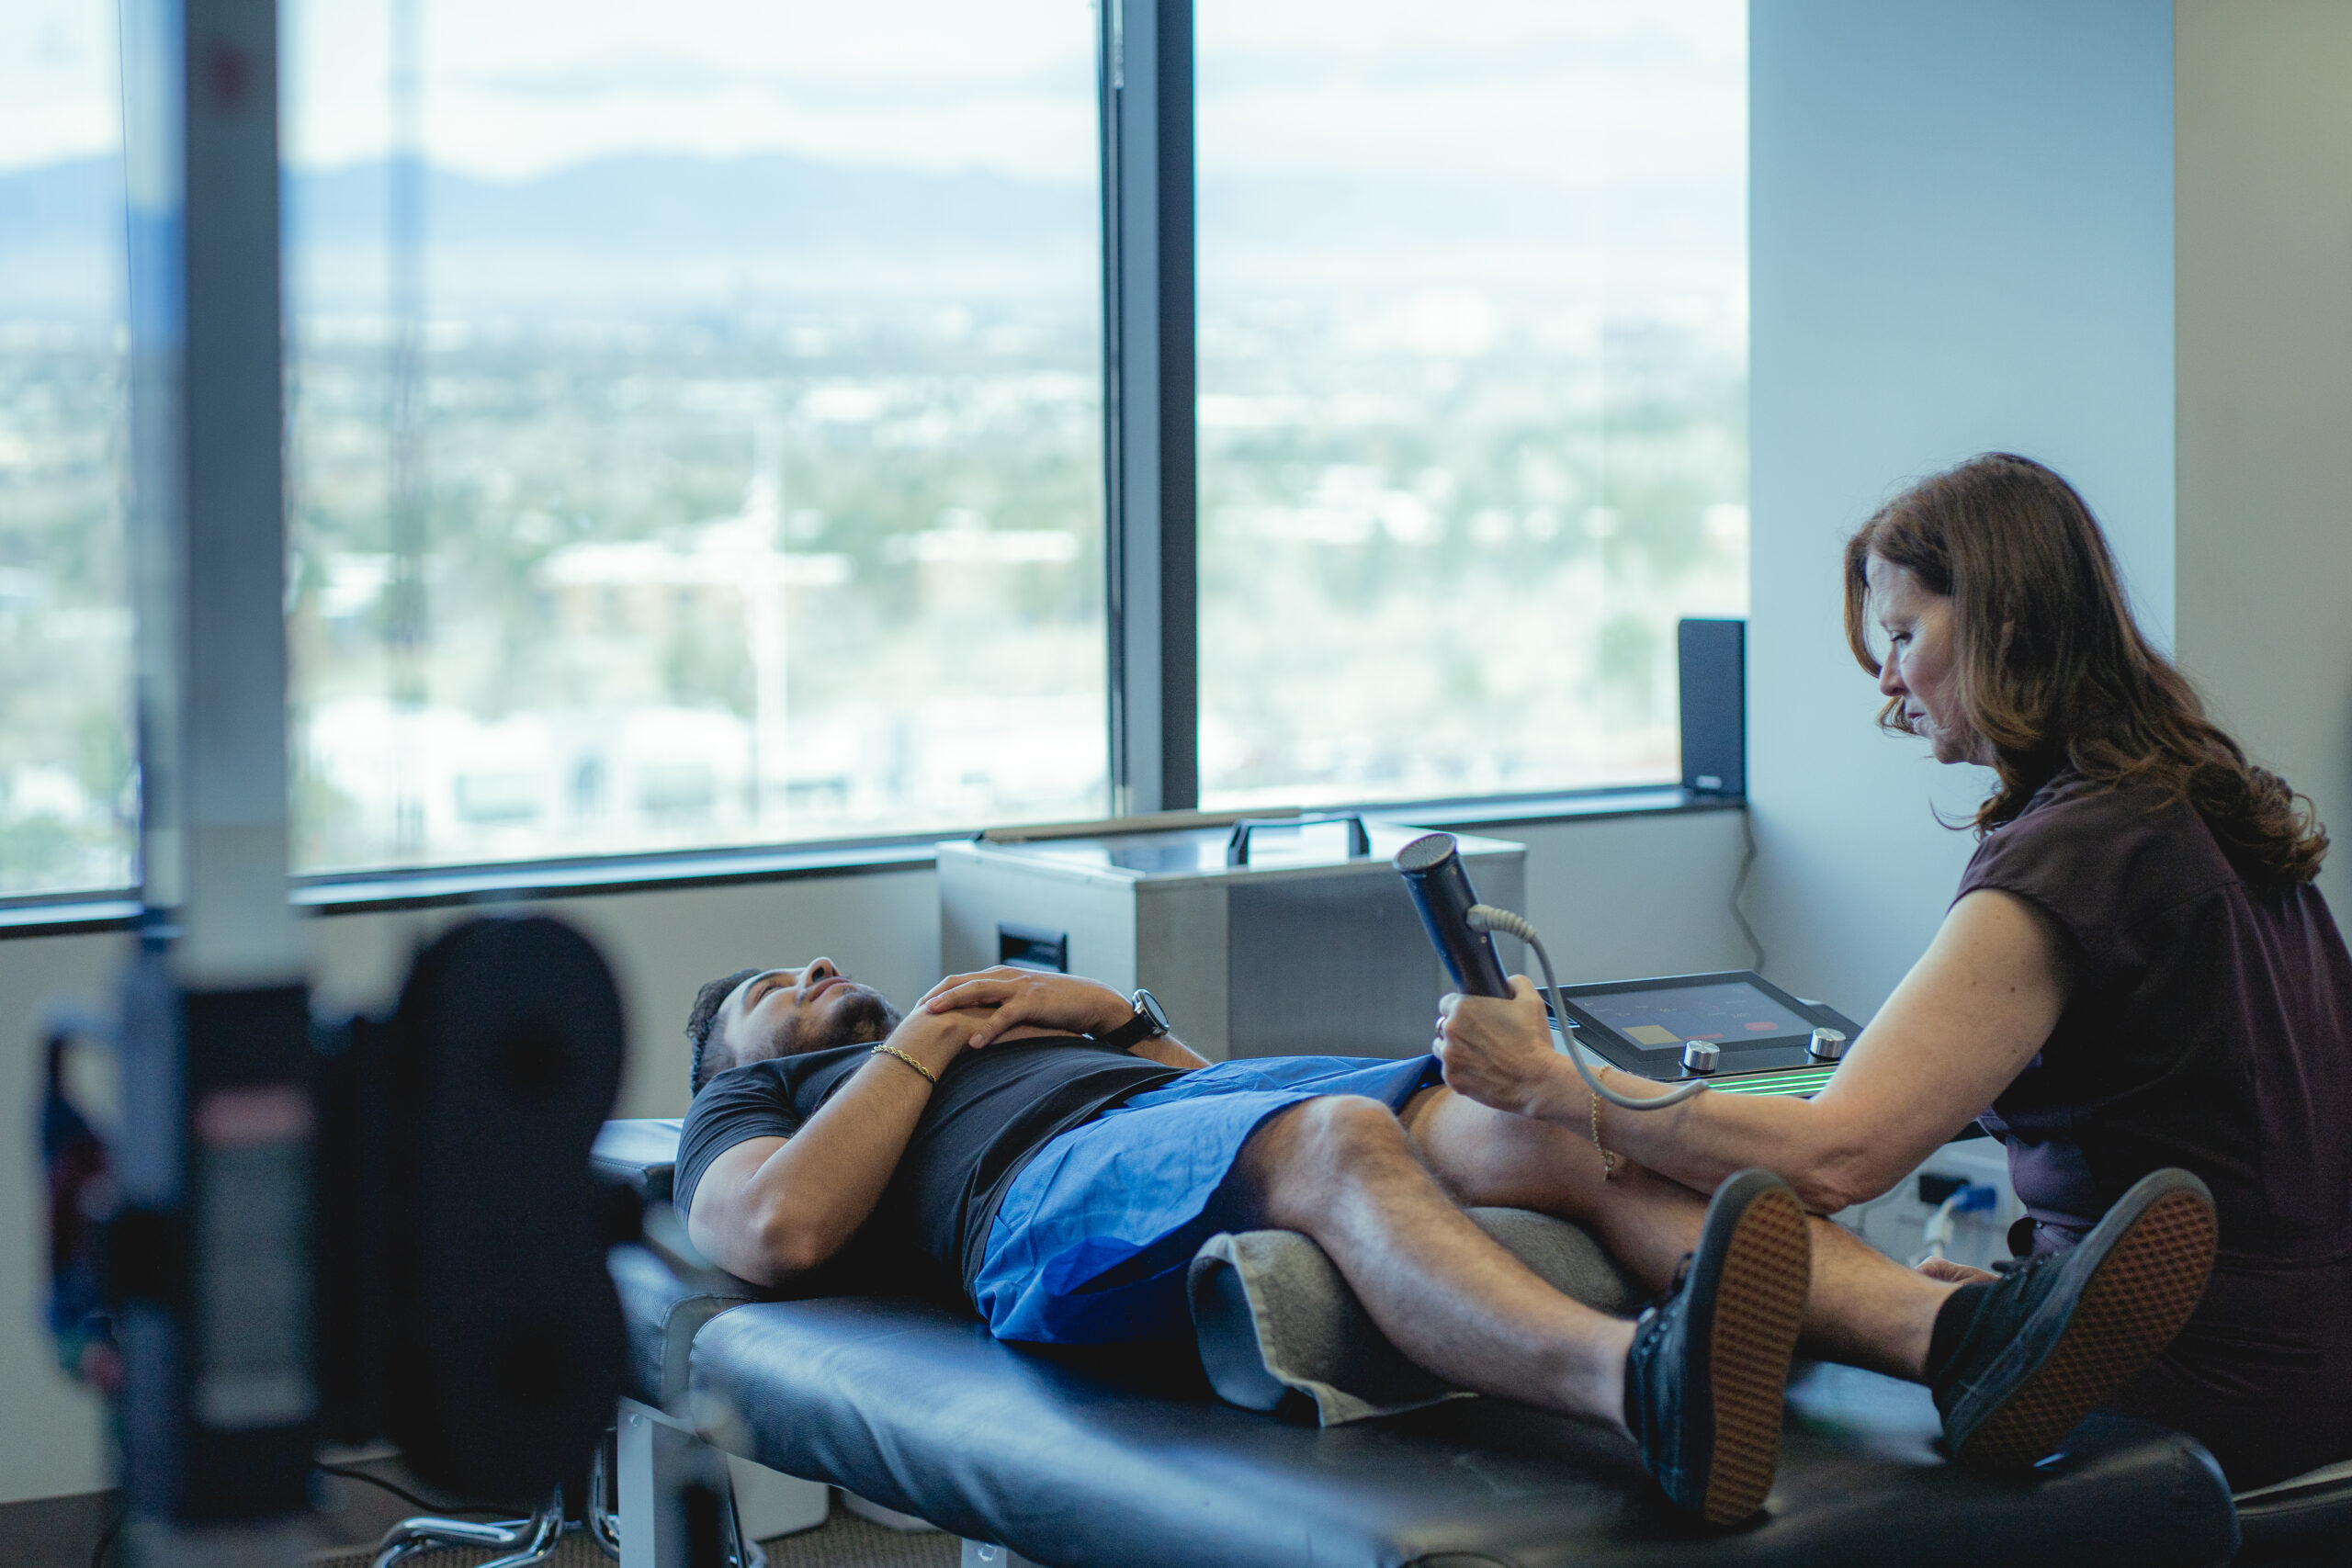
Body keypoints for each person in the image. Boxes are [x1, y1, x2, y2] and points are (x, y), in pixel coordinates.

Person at [1441, 451, 2343, 1488]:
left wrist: (1551, 1081)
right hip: (2311, 1357)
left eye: (1905, 636)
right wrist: (2042, 1285)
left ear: (2003, 624)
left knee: (1574, 1146)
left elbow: (1834, 1158)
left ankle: (1936, 1340)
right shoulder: (2200, 799)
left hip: (2199, 1379)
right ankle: (1984, 1322)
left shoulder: (2075, 850)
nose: (1884, 678)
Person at [675, 948, 2196, 1523]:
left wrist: (1122, 1018)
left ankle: (1960, 1340)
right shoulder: (771, 1097)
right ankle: (1644, 1386)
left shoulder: (1008, 1025)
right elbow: (781, 1227)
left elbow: (1223, 1125)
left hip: (1189, 1123)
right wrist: (934, 1033)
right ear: (735, 1053)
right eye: (769, 979)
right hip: (1045, 1197)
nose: (810, 970)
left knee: (1554, 1121)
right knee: (1336, 1140)